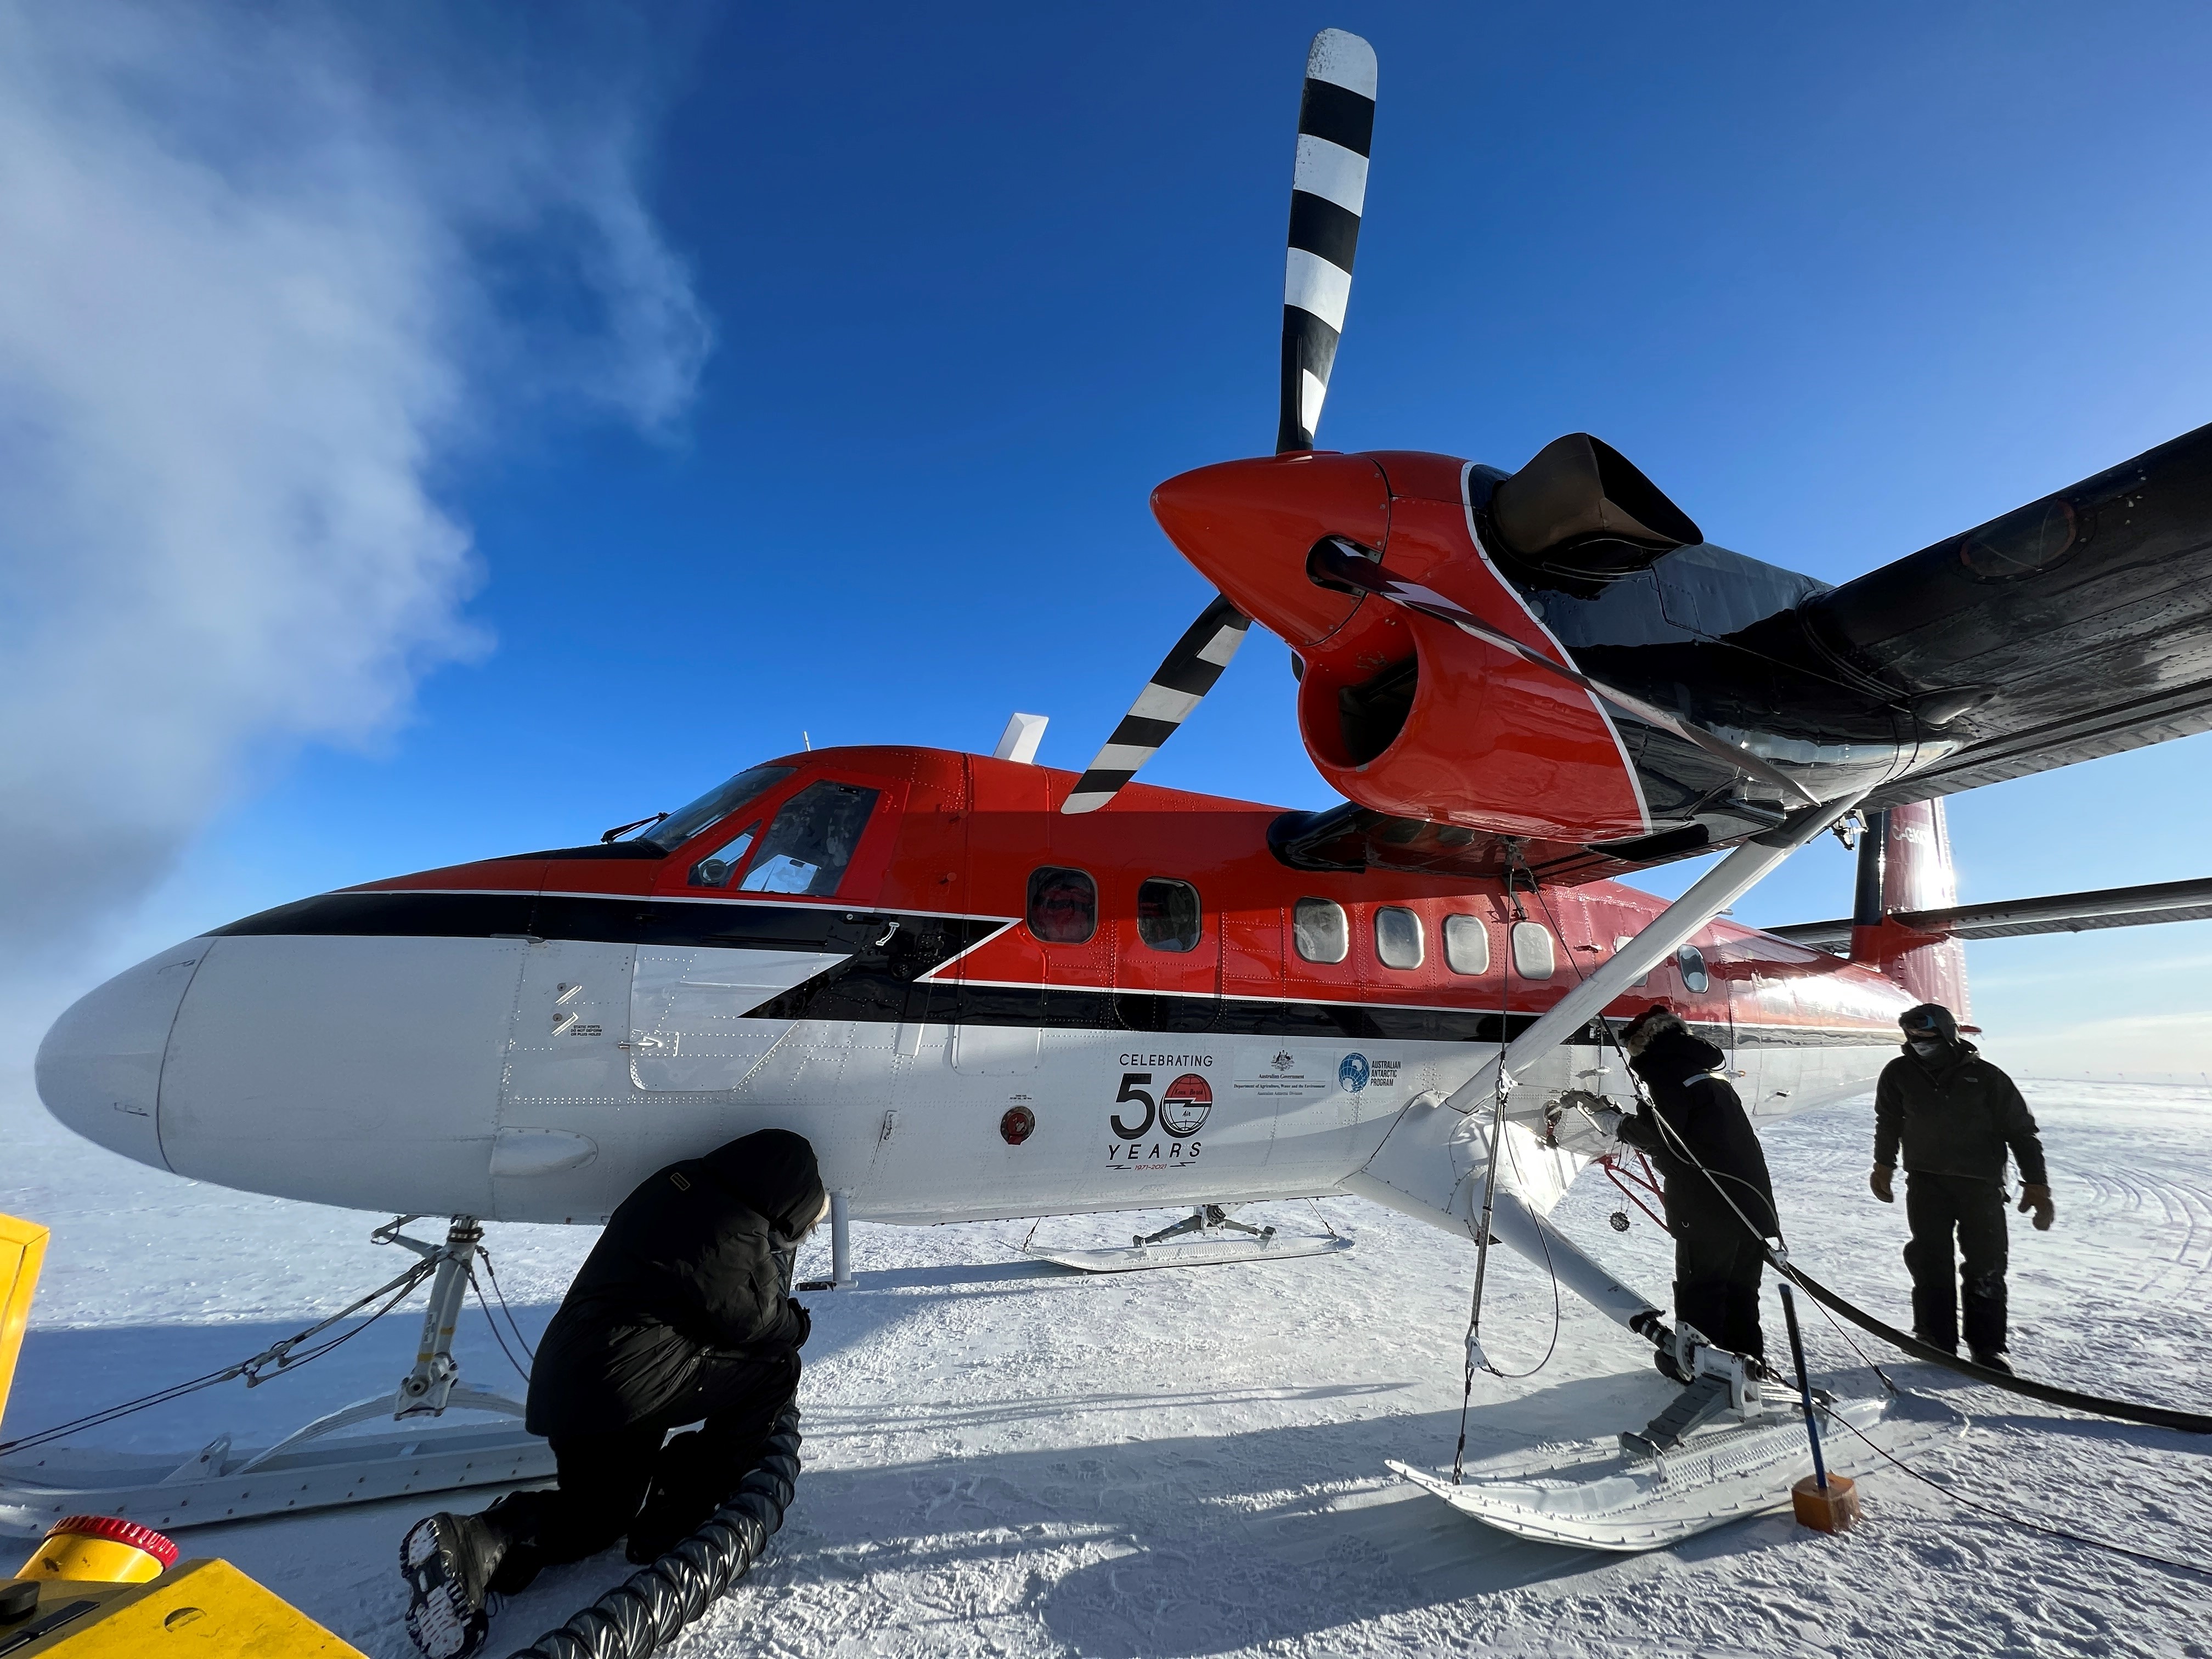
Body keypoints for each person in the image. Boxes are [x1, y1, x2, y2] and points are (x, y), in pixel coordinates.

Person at [400, 1129, 826, 1659]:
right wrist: (799, 1321)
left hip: (579, 1386)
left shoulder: (678, 1187)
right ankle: (682, 1502)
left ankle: (480, 1543)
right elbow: (756, 1323)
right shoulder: (732, 1232)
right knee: (775, 1367)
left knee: (599, 1518)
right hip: (623, 1389)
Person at [1871, 1002, 2053, 1373]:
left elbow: (2021, 1132)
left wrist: (2037, 1184)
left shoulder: (1987, 1078)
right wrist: (1883, 1164)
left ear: (1949, 1033)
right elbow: (1888, 1121)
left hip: (1980, 1187)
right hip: (1925, 1183)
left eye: (1929, 1037)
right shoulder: (1899, 1073)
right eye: (1914, 1038)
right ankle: (1935, 1338)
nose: (1921, 1044)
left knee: (1986, 1265)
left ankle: (1987, 1348)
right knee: (1929, 1260)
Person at [1615, 1005, 1778, 1367]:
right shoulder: (1706, 1075)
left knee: (1701, 1290)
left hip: (1709, 1210)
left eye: (1632, 1047)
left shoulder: (1666, 1074)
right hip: (1753, 1206)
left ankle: (1701, 1369)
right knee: (1741, 1292)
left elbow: (1663, 1134)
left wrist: (1618, 1125)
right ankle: (1747, 1363)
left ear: (1646, 1041)